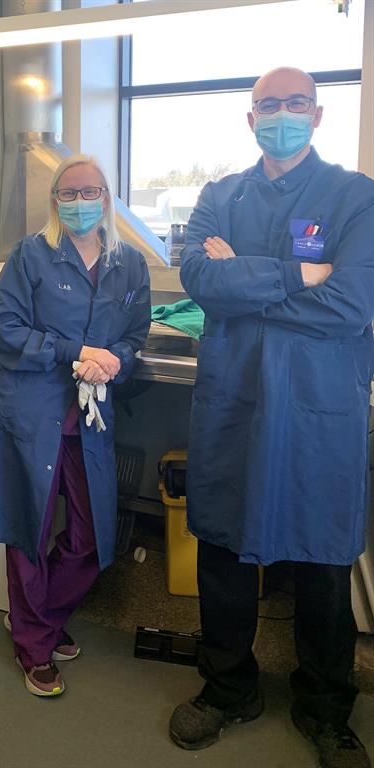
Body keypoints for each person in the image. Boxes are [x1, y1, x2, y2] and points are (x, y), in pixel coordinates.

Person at [169, 67, 374, 768]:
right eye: (267, 105)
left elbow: (351, 303)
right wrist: (295, 273)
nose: (279, 115)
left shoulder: (354, 196)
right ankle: (228, 690)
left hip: (319, 411)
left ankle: (324, 707)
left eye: (294, 104)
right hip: (234, 403)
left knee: (321, 565)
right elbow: (198, 279)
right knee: (222, 553)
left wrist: (244, 281)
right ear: (247, 117)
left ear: (316, 116)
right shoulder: (218, 196)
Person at [0, 154, 151, 697]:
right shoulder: (32, 255)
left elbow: (135, 332)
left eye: (90, 191)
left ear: (108, 198)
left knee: (92, 537)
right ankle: (34, 645)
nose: (80, 202)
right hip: (32, 410)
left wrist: (113, 358)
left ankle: (39, 617)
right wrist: (76, 352)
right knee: (29, 525)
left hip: (90, 416)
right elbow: (2, 328)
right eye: (69, 193)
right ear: (55, 201)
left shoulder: (130, 264)